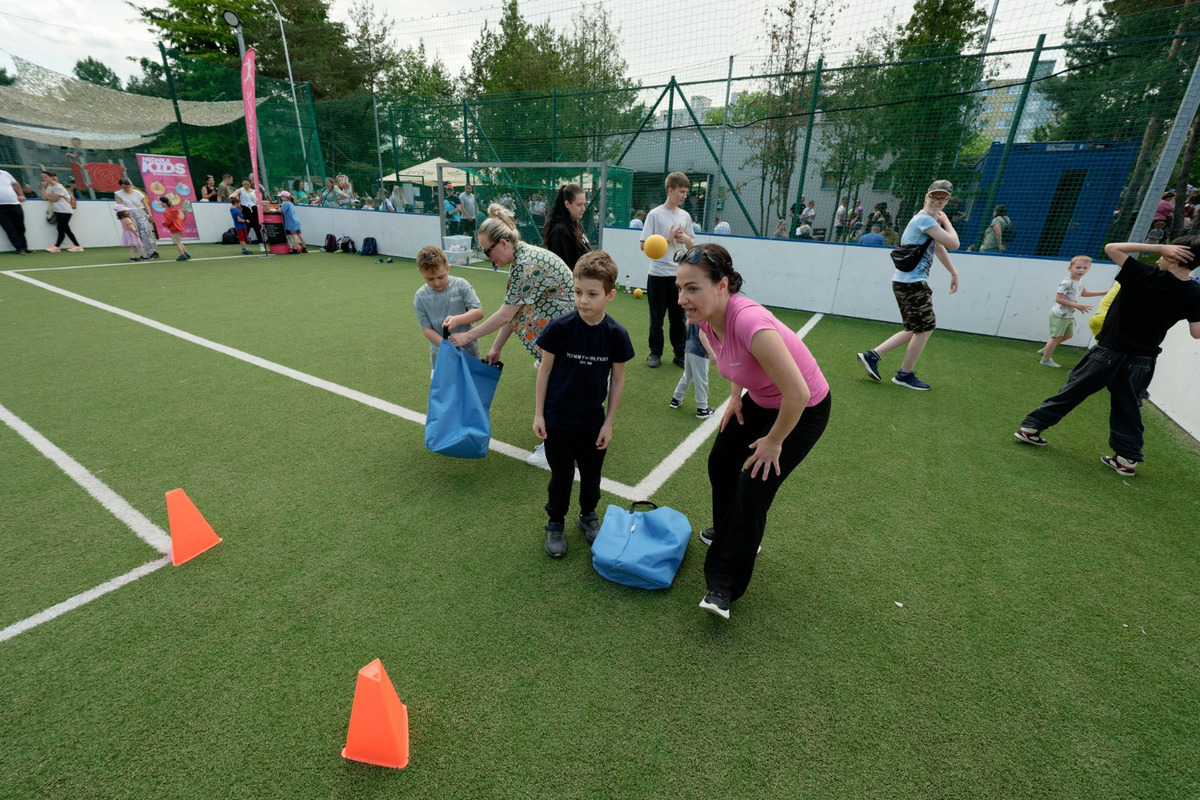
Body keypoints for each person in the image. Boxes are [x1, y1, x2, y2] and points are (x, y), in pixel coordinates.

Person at [674, 243, 831, 619]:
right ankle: (731, 532)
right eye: (680, 288)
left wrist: (775, 441)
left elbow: (799, 392)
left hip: (802, 409)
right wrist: (734, 398)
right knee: (721, 463)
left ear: (723, 285)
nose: (682, 298)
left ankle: (723, 586)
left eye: (692, 288)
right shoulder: (705, 319)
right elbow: (734, 362)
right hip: (760, 399)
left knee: (755, 486)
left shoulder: (749, 321)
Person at [1014, 237, 1200, 477]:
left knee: (1073, 391)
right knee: (1128, 406)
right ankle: (1127, 458)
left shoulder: (1142, 274)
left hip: (1108, 350)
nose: (1158, 257)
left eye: (1164, 254)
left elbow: (1112, 247)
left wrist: (1158, 246)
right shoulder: (1194, 292)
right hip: (1142, 359)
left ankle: (1031, 428)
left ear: (1175, 255)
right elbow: (1197, 333)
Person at [448, 204, 575, 468]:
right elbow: (516, 310)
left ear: (504, 243)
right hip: (562, 331)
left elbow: (507, 314)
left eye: (487, 251)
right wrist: (496, 348)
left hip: (568, 333)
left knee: (556, 392)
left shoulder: (525, 265)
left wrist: (467, 336)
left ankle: (554, 449)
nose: (487, 256)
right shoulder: (521, 260)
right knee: (558, 387)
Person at [533, 250, 634, 557]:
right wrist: (539, 414)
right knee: (561, 476)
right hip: (558, 420)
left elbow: (617, 380)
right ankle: (555, 522)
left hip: (592, 423)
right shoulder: (560, 328)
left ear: (610, 295)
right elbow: (545, 371)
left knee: (591, 477)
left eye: (592, 294)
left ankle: (588, 515)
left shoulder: (616, 334)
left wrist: (608, 423)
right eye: (578, 292)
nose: (583, 300)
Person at [856, 179, 961, 391]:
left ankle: (872, 356)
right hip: (911, 284)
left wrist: (953, 272)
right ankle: (904, 374)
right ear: (926, 196)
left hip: (905, 282)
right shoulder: (925, 221)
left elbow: (939, 248)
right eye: (934, 197)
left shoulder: (929, 223)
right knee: (925, 328)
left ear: (947, 200)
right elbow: (954, 243)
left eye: (943, 198)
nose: (937, 202)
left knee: (915, 328)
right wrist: (947, 222)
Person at [640, 172, 694, 368]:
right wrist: (667, 239)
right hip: (658, 275)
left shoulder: (685, 216)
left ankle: (680, 353)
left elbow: (692, 245)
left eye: (686, 192)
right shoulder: (654, 214)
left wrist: (687, 240)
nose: (684, 195)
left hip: (679, 276)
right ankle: (655, 353)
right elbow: (643, 245)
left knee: (678, 318)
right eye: (681, 191)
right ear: (670, 190)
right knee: (657, 318)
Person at [414, 245, 483, 372]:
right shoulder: (420, 296)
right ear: (421, 273)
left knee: (472, 388)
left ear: (448, 268)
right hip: (440, 354)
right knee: (446, 390)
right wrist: (446, 345)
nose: (436, 283)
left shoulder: (461, 285)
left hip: (469, 351)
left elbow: (478, 312)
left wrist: (458, 319)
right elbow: (426, 329)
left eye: (441, 277)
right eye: (430, 279)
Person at [1038, 255, 1108, 368]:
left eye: (1085, 268)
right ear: (1070, 268)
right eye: (1078, 267)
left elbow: (1084, 293)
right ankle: (1045, 359)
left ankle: (1047, 350)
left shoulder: (1079, 281)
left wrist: (1104, 292)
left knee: (1068, 335)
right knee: (1055, 337)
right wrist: (1077, 305)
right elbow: (1059, 299)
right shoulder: (1066, 283)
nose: (1081, 270)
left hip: (1068, 315)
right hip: (1059, 315)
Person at [542, 183, 591, 270]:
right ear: (567, 204)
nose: (583, 208)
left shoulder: (576, 223)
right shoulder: (560, 231)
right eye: (579, 205)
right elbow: (564, 268)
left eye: (584, 204)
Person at [670, 323, 714, 419]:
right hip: (700, 352)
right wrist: (712, 354)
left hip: (689, 348)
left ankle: (676, 398)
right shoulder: (706, 315)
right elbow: (702, 336)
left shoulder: (695, 312)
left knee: (687, 376)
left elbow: (687, 324)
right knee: (701, 380)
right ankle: (702, 408)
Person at [114, 178, 159, 260]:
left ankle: (153, 251)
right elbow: (120, 206)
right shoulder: (118, 194)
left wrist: (150, 215)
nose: (126, 189)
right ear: (121, 186)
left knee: (146, 232)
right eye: (124, 187)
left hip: (141, 213)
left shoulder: (137, 192)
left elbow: (145, 204)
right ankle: (143, 253)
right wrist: (124, 219)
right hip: (129, 214)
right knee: (135, 233)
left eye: (128, 186)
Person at [40, 171, 83, 252]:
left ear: (52, 177)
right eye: (43, 178)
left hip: (65, 210)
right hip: (58, 210)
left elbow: (55, 199)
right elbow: (45, 197)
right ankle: (60, 246)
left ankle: (74, 246)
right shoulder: (49, 187)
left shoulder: (59, 187)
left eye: (46, 177)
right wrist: (42, 188)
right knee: (62, 228)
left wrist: (49, 197)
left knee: (63, 228)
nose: (44, 179)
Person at [0, 168, 28, 254]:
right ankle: (19, 248)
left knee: (20, 227)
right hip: (1, 207)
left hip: (15, 204)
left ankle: (24, 247)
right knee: (10, 228)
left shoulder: (5, 173)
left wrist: (21, 195)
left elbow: (16, 184)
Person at [161, 196, 190, 261]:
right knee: (179, 242)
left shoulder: (167, 211)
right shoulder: (173, 210)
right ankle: (186, 254)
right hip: (179, 227)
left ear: (165, 203)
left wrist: (164, 223)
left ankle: (183, 255)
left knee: (176, 243)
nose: (160, 204)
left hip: (174, 228)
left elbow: (169, 221)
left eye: (161, 202)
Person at [238, 179, 264, 248]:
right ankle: (244, 247)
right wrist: (234, 196)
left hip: (254, 210)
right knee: (246, 228)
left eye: (247, 184)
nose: (246, 186)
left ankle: (261, 245)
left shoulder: (254, 191)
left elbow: (259, 201)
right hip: (246, 211)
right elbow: (235, 193)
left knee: (257, 229)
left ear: (250, 184)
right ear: (242, 184)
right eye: (244, 184)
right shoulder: (241, 190)